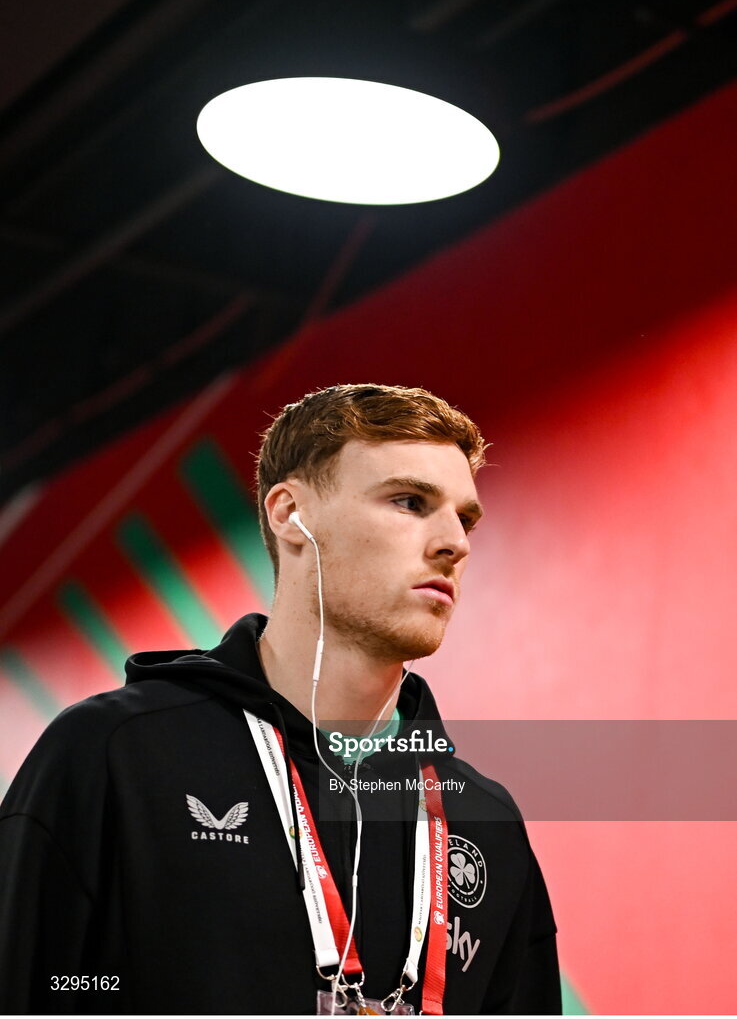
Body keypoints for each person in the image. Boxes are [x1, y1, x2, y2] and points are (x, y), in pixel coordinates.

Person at [0, 383, 561, 1014]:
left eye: (465, 519)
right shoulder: (117, 754)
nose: (455, 543)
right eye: (410, 502)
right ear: (291, 515)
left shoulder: (484, 821)